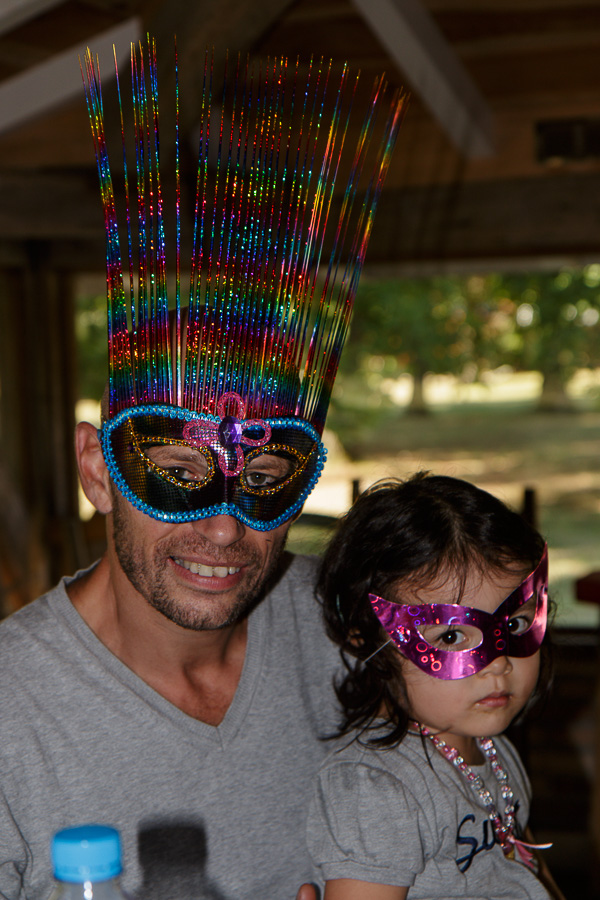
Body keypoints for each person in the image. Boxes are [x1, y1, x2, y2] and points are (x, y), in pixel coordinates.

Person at [0, 40, 406, 900]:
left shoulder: (349, 628)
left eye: (264, 479)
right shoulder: (11, 713)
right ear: (97, 469)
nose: (225, 529)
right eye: (180, 470)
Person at [307, 473, 566, 900]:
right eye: (451, 636)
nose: (498, 663)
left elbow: (528, 870)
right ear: (367, 638)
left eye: (515, 625)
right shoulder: (379, 788)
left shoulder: (493, 750)